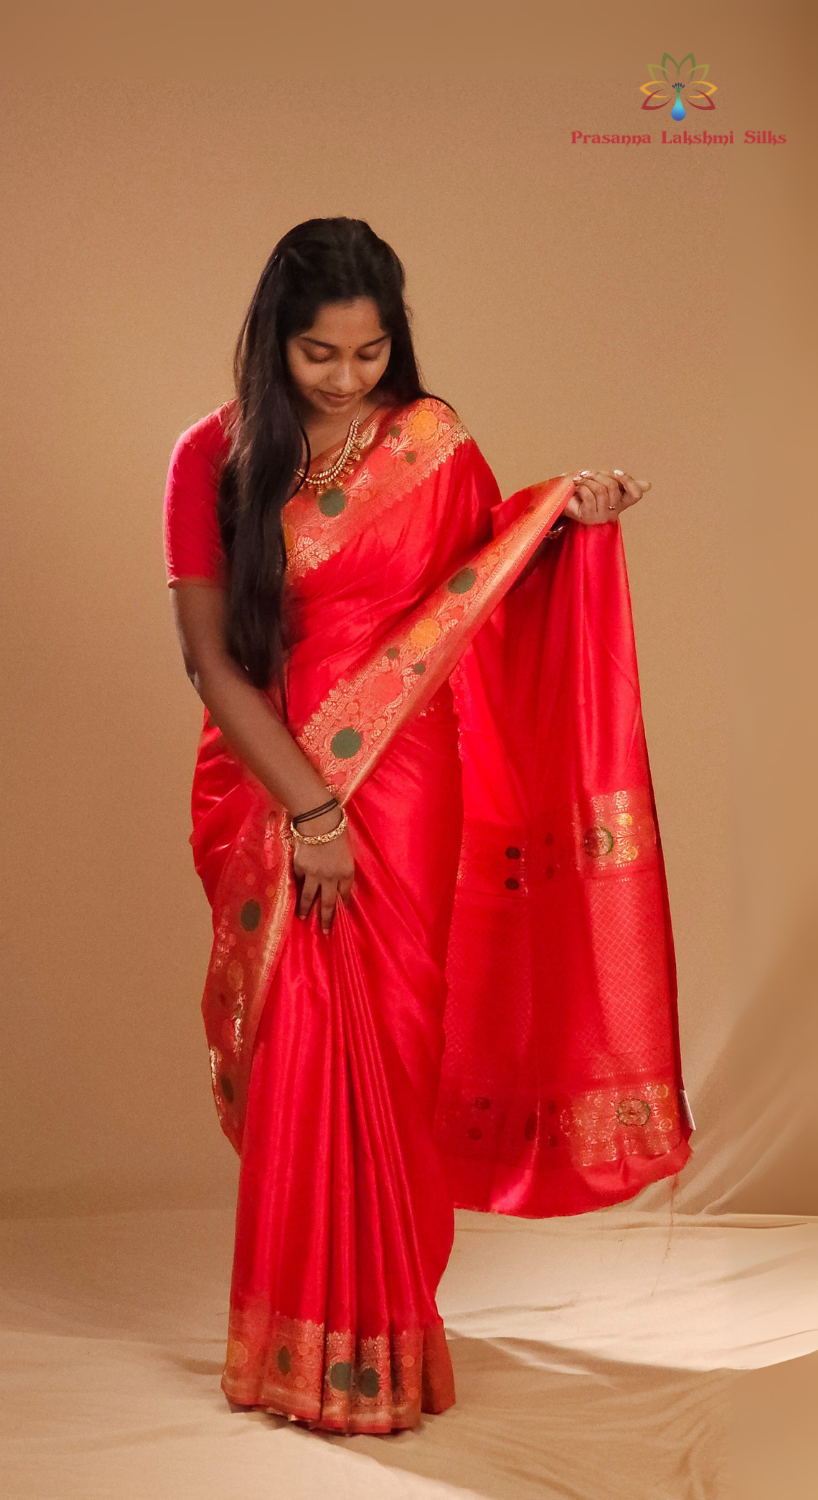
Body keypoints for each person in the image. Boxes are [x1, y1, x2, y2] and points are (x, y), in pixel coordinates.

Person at [163, 217, 692, 1435]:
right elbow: (207, 657)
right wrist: (309, 808)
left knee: (395, 1056)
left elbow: (478, 584)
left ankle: (386, 1344)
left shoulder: (430, 442)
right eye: (318, 354)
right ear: (273, 341)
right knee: (307, 1057)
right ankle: (298, 1350)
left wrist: (568, 517)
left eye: (368, 353)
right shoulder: (214, 454)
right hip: (276, 781)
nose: (345, 378)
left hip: (406, 786)